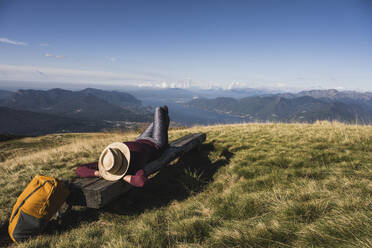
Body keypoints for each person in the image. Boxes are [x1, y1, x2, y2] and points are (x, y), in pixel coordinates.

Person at [75, 106, 170, 187]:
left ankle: (164, 121)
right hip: (156, 144)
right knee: (159, 111)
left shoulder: (109, 163)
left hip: (141, 139)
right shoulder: (133, 168)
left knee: (158, 121)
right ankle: (165, 120)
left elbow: (79, 169)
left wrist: (100, 173)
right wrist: (121, 176)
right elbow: (140, 181)